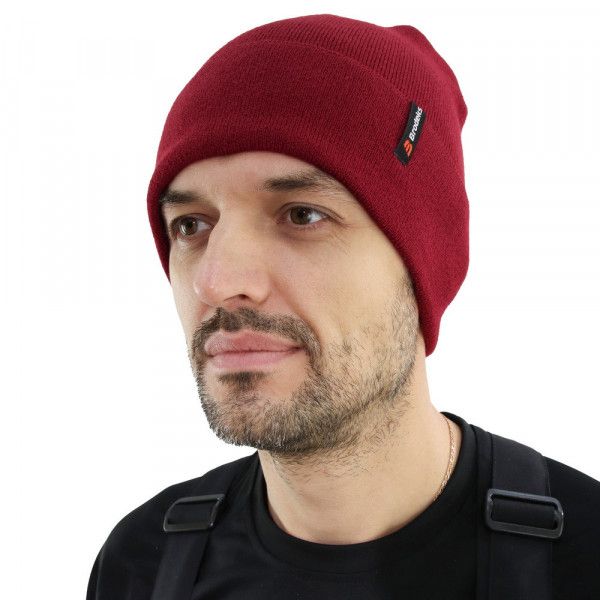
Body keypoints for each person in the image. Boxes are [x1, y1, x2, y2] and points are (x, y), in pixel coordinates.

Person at [86, 13, 600, 599]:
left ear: (422, 261)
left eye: (302, 215)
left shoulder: (584, 559)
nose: (217, 281)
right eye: (191, 225)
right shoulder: (143, 563)